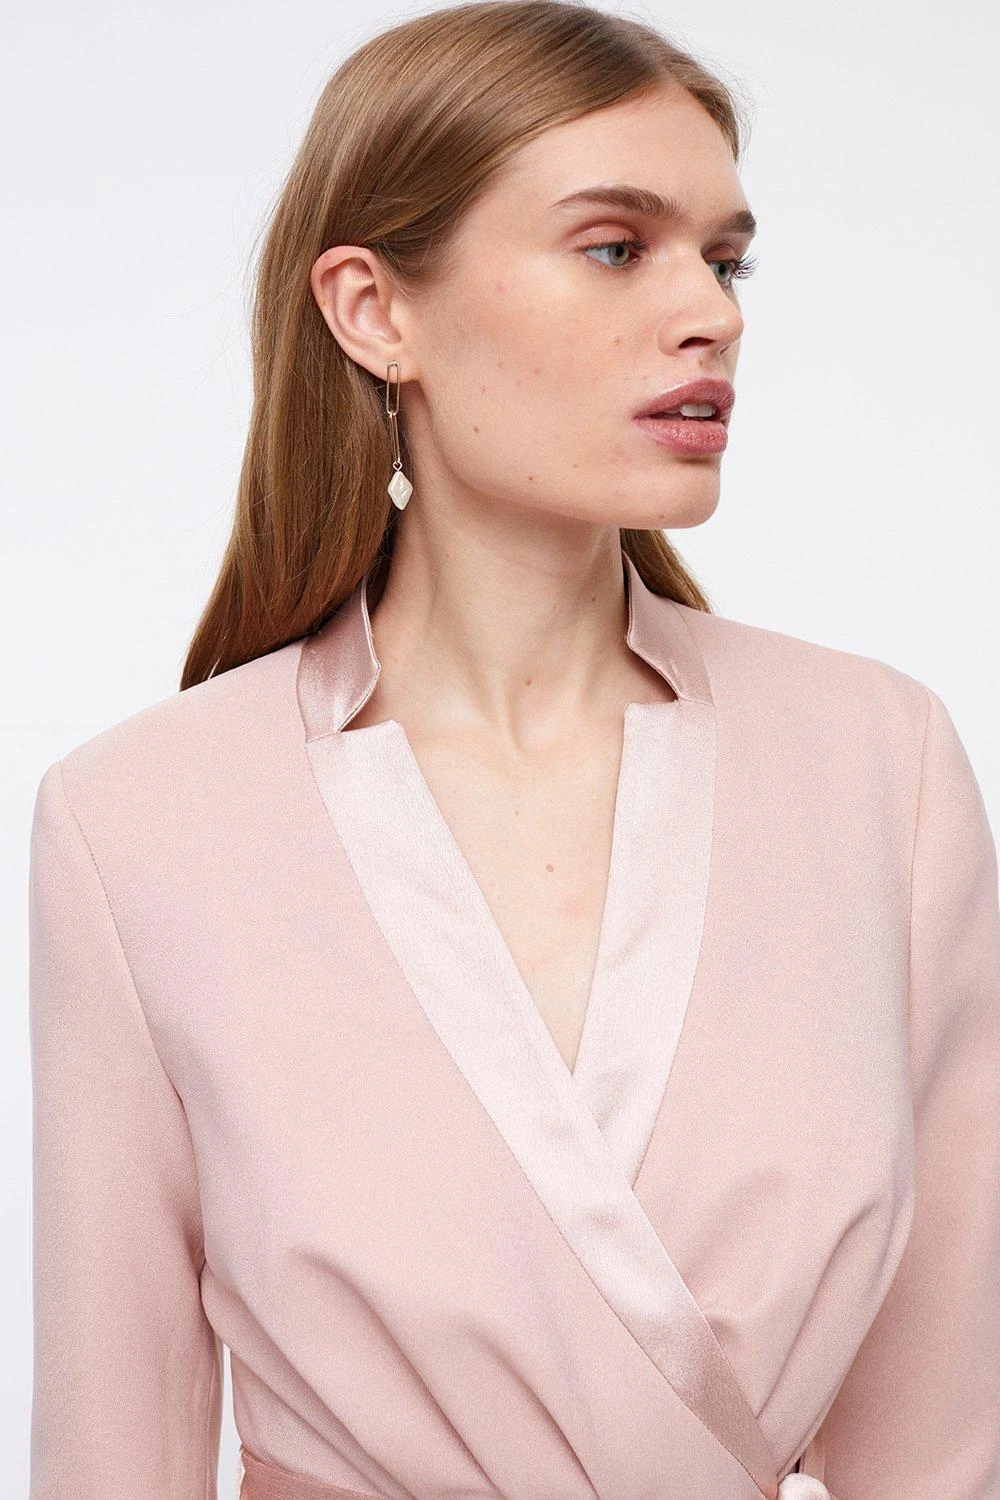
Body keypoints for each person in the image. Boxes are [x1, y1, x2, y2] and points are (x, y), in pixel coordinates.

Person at [27, 2, 1000, 1497]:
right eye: (617, 247)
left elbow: (949, 1444)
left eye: (726, 259)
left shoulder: (880, 768)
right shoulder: (140, 823)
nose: (713, 312)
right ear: (374, 311)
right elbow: (115, 1452)